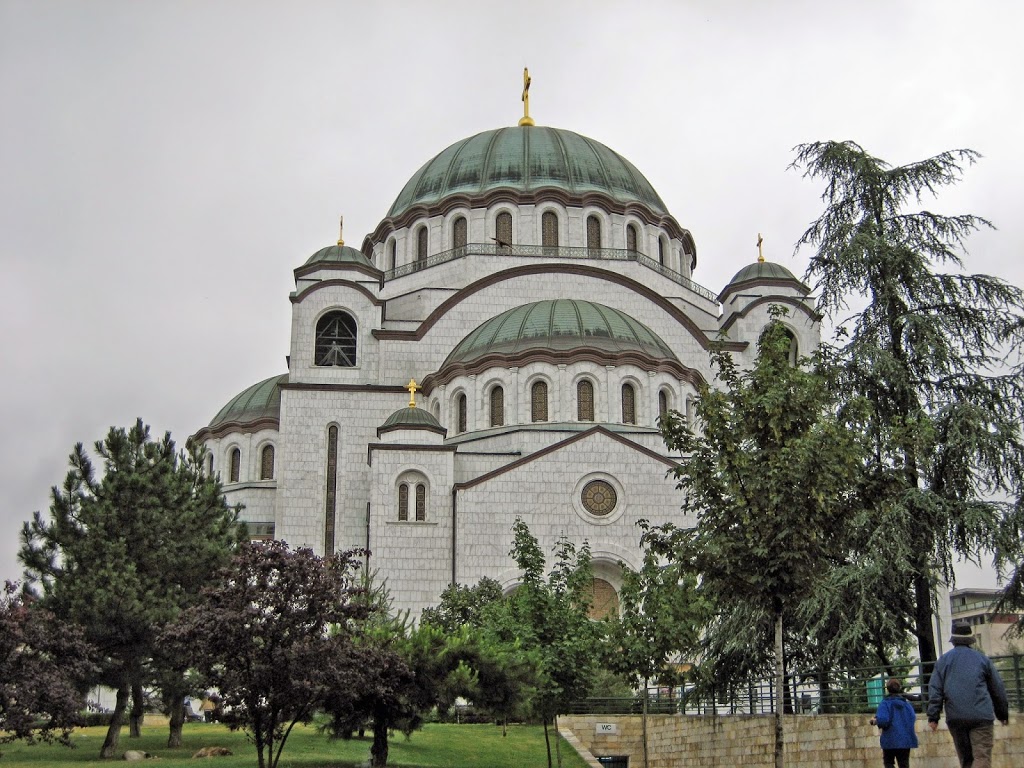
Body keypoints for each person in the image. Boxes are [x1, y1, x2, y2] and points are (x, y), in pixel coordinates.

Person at [927, 623, 1010, 768]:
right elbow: (997, 689)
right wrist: (1002, 714)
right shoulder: (983, 660)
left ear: (953, 640)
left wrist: (933, 716)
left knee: (966, 760)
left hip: (956, 717)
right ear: (971, 639)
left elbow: (935, 690)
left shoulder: (943, 661)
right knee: (981, 757)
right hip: (981, 716)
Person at [871, 678, 919, 768]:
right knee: (904, 764)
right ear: (899, 688)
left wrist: (875, 721)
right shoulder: (906, 704)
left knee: (888, 763)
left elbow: (884, 720)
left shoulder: (885, 703)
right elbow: (912, 718)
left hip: (890, 740)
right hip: (905, 740)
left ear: (887, 689)